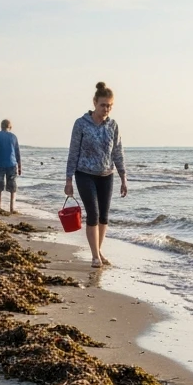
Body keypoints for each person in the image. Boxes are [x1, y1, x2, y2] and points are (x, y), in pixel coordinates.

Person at [65, 82, 126, 268]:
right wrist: (68, 180)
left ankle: (98, 250)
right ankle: (95, 256)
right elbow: (73, 152)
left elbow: (117, 152)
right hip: (84, 174)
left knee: (104, 216)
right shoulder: (81, 124)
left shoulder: (113, 125)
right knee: (93, 213)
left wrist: (123, 177)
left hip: (107, 175)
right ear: (94, 102)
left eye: (110, 105)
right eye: (103, 105)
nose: (106, 109)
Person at [0, 119, 22, 214]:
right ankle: (12, 207)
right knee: (12, 185)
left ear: (1, 126)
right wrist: (19, 166)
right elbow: (17, 152)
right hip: (12, 163)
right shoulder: (13, 137)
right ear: (10, 127)